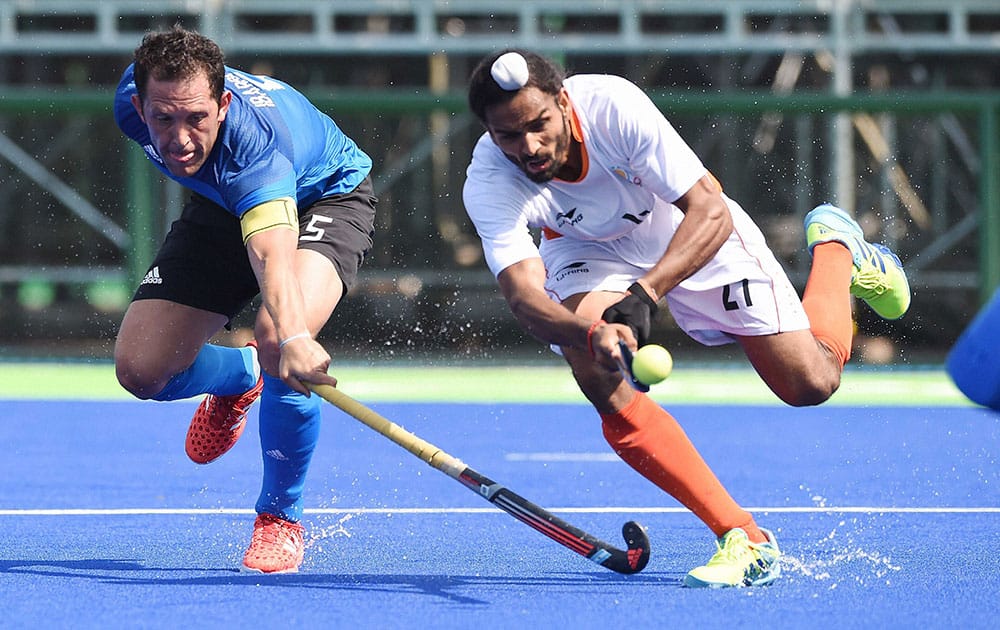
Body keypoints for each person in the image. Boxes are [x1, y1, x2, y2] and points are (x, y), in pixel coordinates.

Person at [462, 50, 910, 588]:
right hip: (585, 250)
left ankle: (837, 247)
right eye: (509, 136)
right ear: (489, 133)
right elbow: (525, 299)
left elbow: (710, 210)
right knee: (592, 366)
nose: (529, 147)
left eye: (539, 125)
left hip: (684, 230)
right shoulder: (489, 180)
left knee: (810, 383)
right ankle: (742, 535)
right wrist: (592, 330)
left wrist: (646, 294)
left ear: (563, 102)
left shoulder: (613, 107)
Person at [112, 26, 377, 574]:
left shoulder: (259, 152)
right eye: (163, 118)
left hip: (323, 200)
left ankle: (279, 517)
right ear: (139, 104)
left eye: (197, 119)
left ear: (224, 104)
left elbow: (271, 256)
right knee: (142, 371)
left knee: (279, 335)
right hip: (222, 203)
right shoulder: (129, 104)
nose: (179, 138)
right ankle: (242, 375)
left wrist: (296, 339)